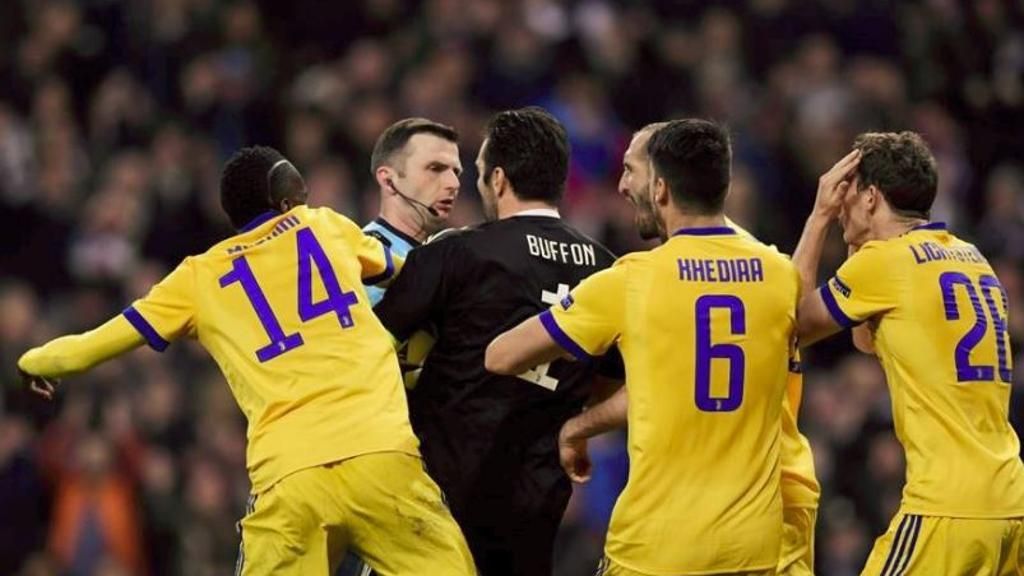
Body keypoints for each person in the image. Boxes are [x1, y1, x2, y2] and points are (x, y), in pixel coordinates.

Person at [17, 146, 475, 576]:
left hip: (289, 477)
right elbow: (410, 274)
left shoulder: (200, 275)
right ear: (287, 195)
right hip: (381, 458)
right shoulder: (323, 225)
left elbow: (102, 339)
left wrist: (40, 361)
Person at [487, 119, 798, 576]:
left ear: (661, 188)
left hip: (657, 548)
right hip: (752, 549)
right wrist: (580, 427)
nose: (621, 185)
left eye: (630, 171)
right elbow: (669, 388)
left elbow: (501, 356)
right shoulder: (780, 275)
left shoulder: (633, 281)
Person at [372, 106, 621, 576]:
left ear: (499, 179)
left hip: (439, 507)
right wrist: (575, 425)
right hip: (536, 511)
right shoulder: (609, 270)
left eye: (480, 171)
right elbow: (613, 380)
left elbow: (370, 344)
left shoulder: (458, 252)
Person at [793, 131, 1024, 574]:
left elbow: (793, 326)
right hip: (1009, 500)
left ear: (871, 197)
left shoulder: (887, 263)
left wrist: (819, 217)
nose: (840, 204)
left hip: (947, 506)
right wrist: (858, 241)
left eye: (848, 193)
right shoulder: (973, 257)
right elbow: (866, 341)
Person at [361, 117, 462, 305]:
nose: (454, 183)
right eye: (435, 168)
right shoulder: (365, 259)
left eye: (456, 172)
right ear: (388, 181)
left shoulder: (447, 257)